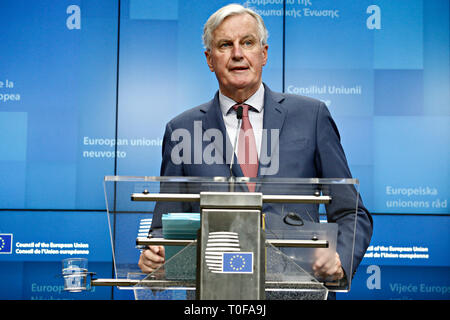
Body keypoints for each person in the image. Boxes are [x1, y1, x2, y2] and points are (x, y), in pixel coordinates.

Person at [139, 4, 373, 289]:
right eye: (225, 45)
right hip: (216, 294)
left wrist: (338, 258)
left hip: (298, 289)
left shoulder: (312, 116)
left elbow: (352, 212)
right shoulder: (182, 129)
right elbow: (164, 226)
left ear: (263, 54)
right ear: (209, 59)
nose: (238, 54)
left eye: (247, 42)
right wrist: (157, 254)